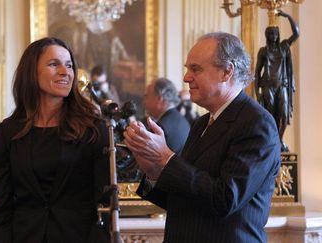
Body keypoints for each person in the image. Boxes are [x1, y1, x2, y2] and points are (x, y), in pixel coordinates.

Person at [124, 32, 281, 242]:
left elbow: (225, 199)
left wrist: (165, 158)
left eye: (195, 69)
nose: (186, 77)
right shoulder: (200, 124)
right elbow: (182, 200)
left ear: (227, 71)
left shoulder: (256, 123)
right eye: (187, 68)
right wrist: (153, 170)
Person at [0, 37, 110, 242]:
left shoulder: (94, 129)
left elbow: (104, 205)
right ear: (31, 72)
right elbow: (1, 206)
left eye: (69, 65)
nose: (65, 72)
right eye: (54, 64)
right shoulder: (7, 131)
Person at [255, 10, 299, 152]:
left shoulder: (284, 47)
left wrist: (287, 16)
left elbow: (296, 33)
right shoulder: (263, 51)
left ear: (278, 35)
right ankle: (274, 140)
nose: (273, 36)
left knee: (284, 114)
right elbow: (257, 72)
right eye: (270, 34)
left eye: (275, 33)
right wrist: (257, 93)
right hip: (268, 87)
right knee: (271, 115)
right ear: (267, 35)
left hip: (282, 86)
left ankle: (279, 139)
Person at [144, 78, 190, 154]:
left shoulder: (160, 128)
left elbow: (151, 161)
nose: (144, 102)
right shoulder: (182, 120)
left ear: (160, 99)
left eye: (147, 97)